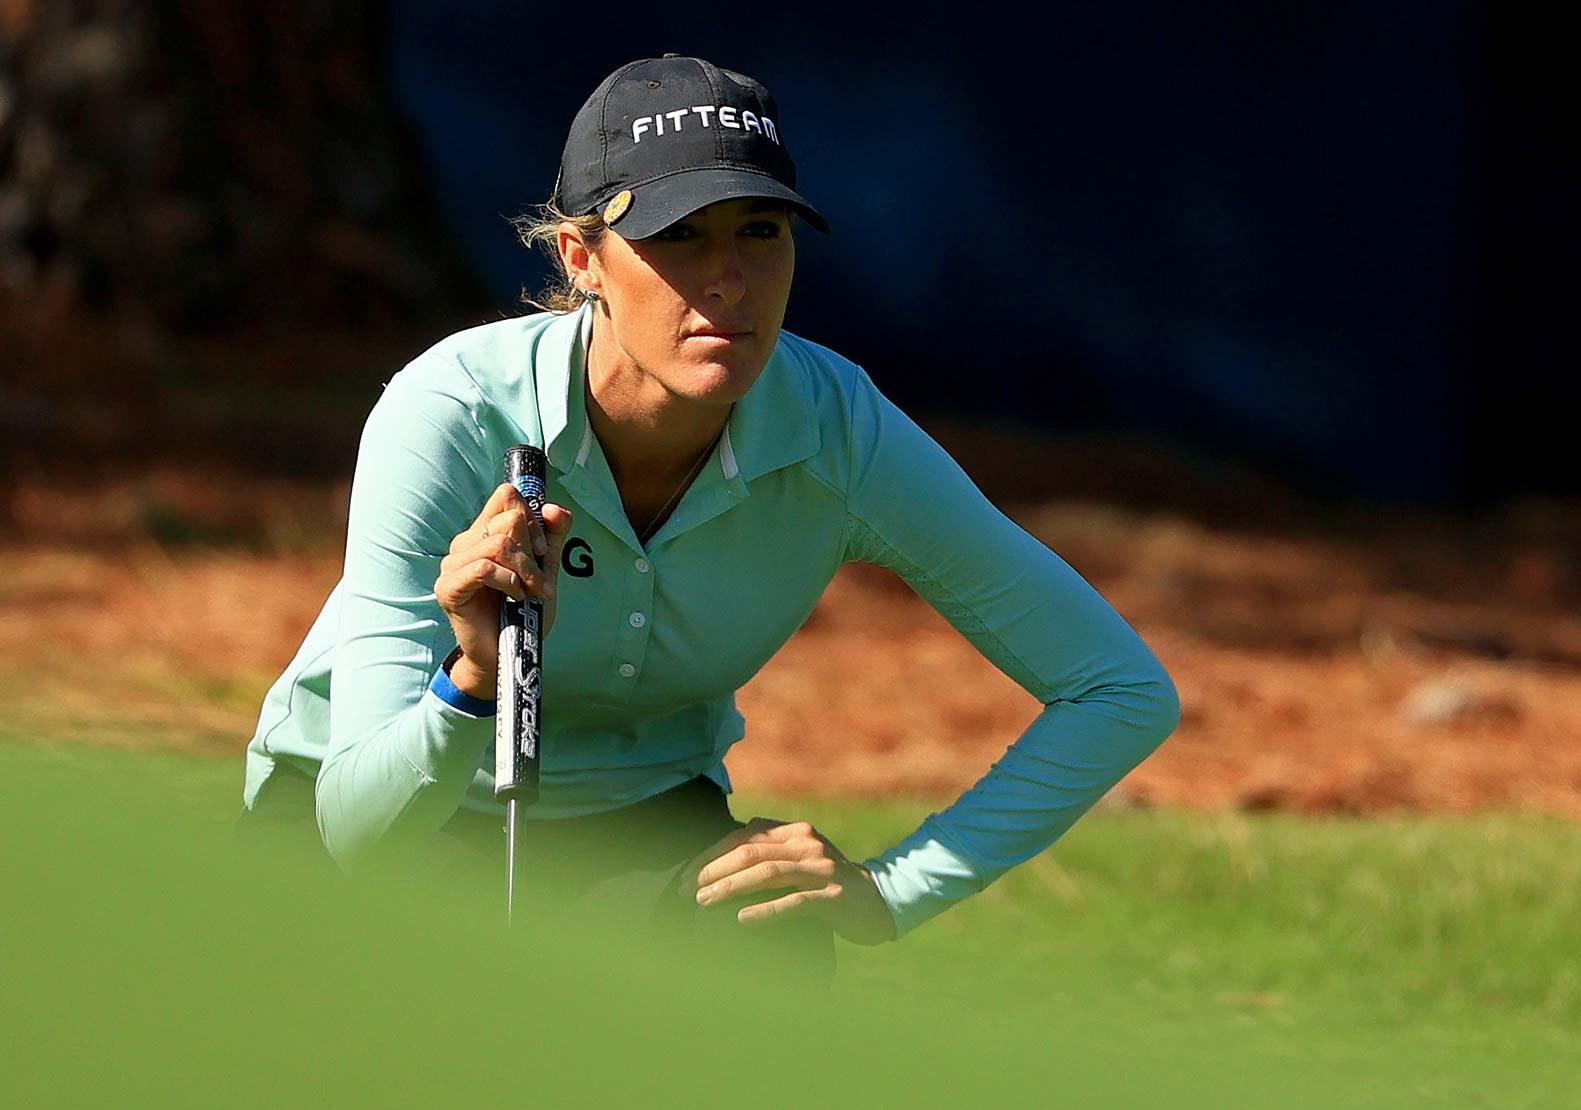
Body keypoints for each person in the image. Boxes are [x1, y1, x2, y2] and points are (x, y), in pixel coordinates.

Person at [239, 53, 1180, 974]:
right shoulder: (453, 409)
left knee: (768, 926)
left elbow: (1117, 691)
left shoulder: (837, 432)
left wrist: (893, 893)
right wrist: (473, 680)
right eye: (680, 235)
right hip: (387, 807)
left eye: (761, 230)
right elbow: (357, 833)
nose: (729, 278)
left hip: (638, 825)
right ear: (583, 256)